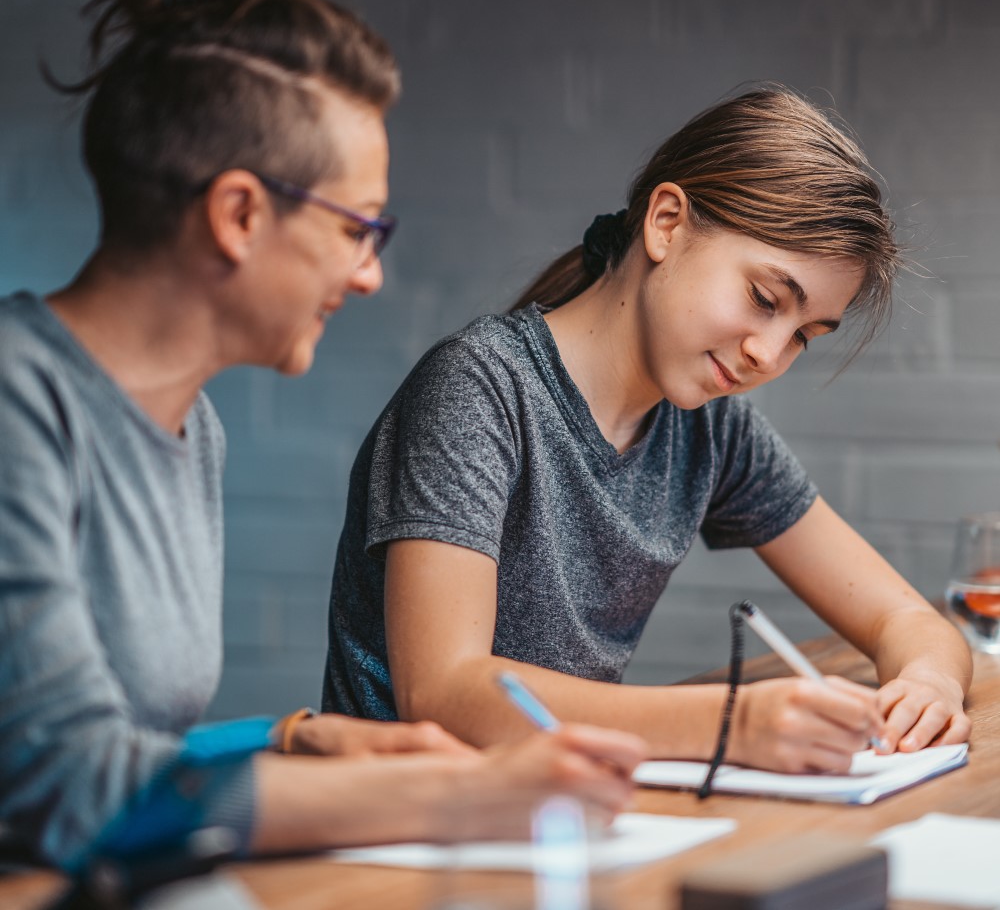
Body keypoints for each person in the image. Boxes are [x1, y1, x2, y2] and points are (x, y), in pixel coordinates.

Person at [0, 0, 646, 872]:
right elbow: (66, 784)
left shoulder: (192, 429)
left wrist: (296, 737)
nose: (371, 274)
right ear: (239, 214)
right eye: (359, 229)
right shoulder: (18, 405)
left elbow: (109, 738)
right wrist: (455, 791)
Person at [323, 86, 974, 776]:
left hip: (550, 812)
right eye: (763, 299)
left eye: (804, 337)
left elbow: (907, 620)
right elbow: (444, 690)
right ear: (667, 222)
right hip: (398, 828)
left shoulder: (712, 431)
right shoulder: (479, 387)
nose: (768, 355)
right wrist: (732, 723)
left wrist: (928, 684)